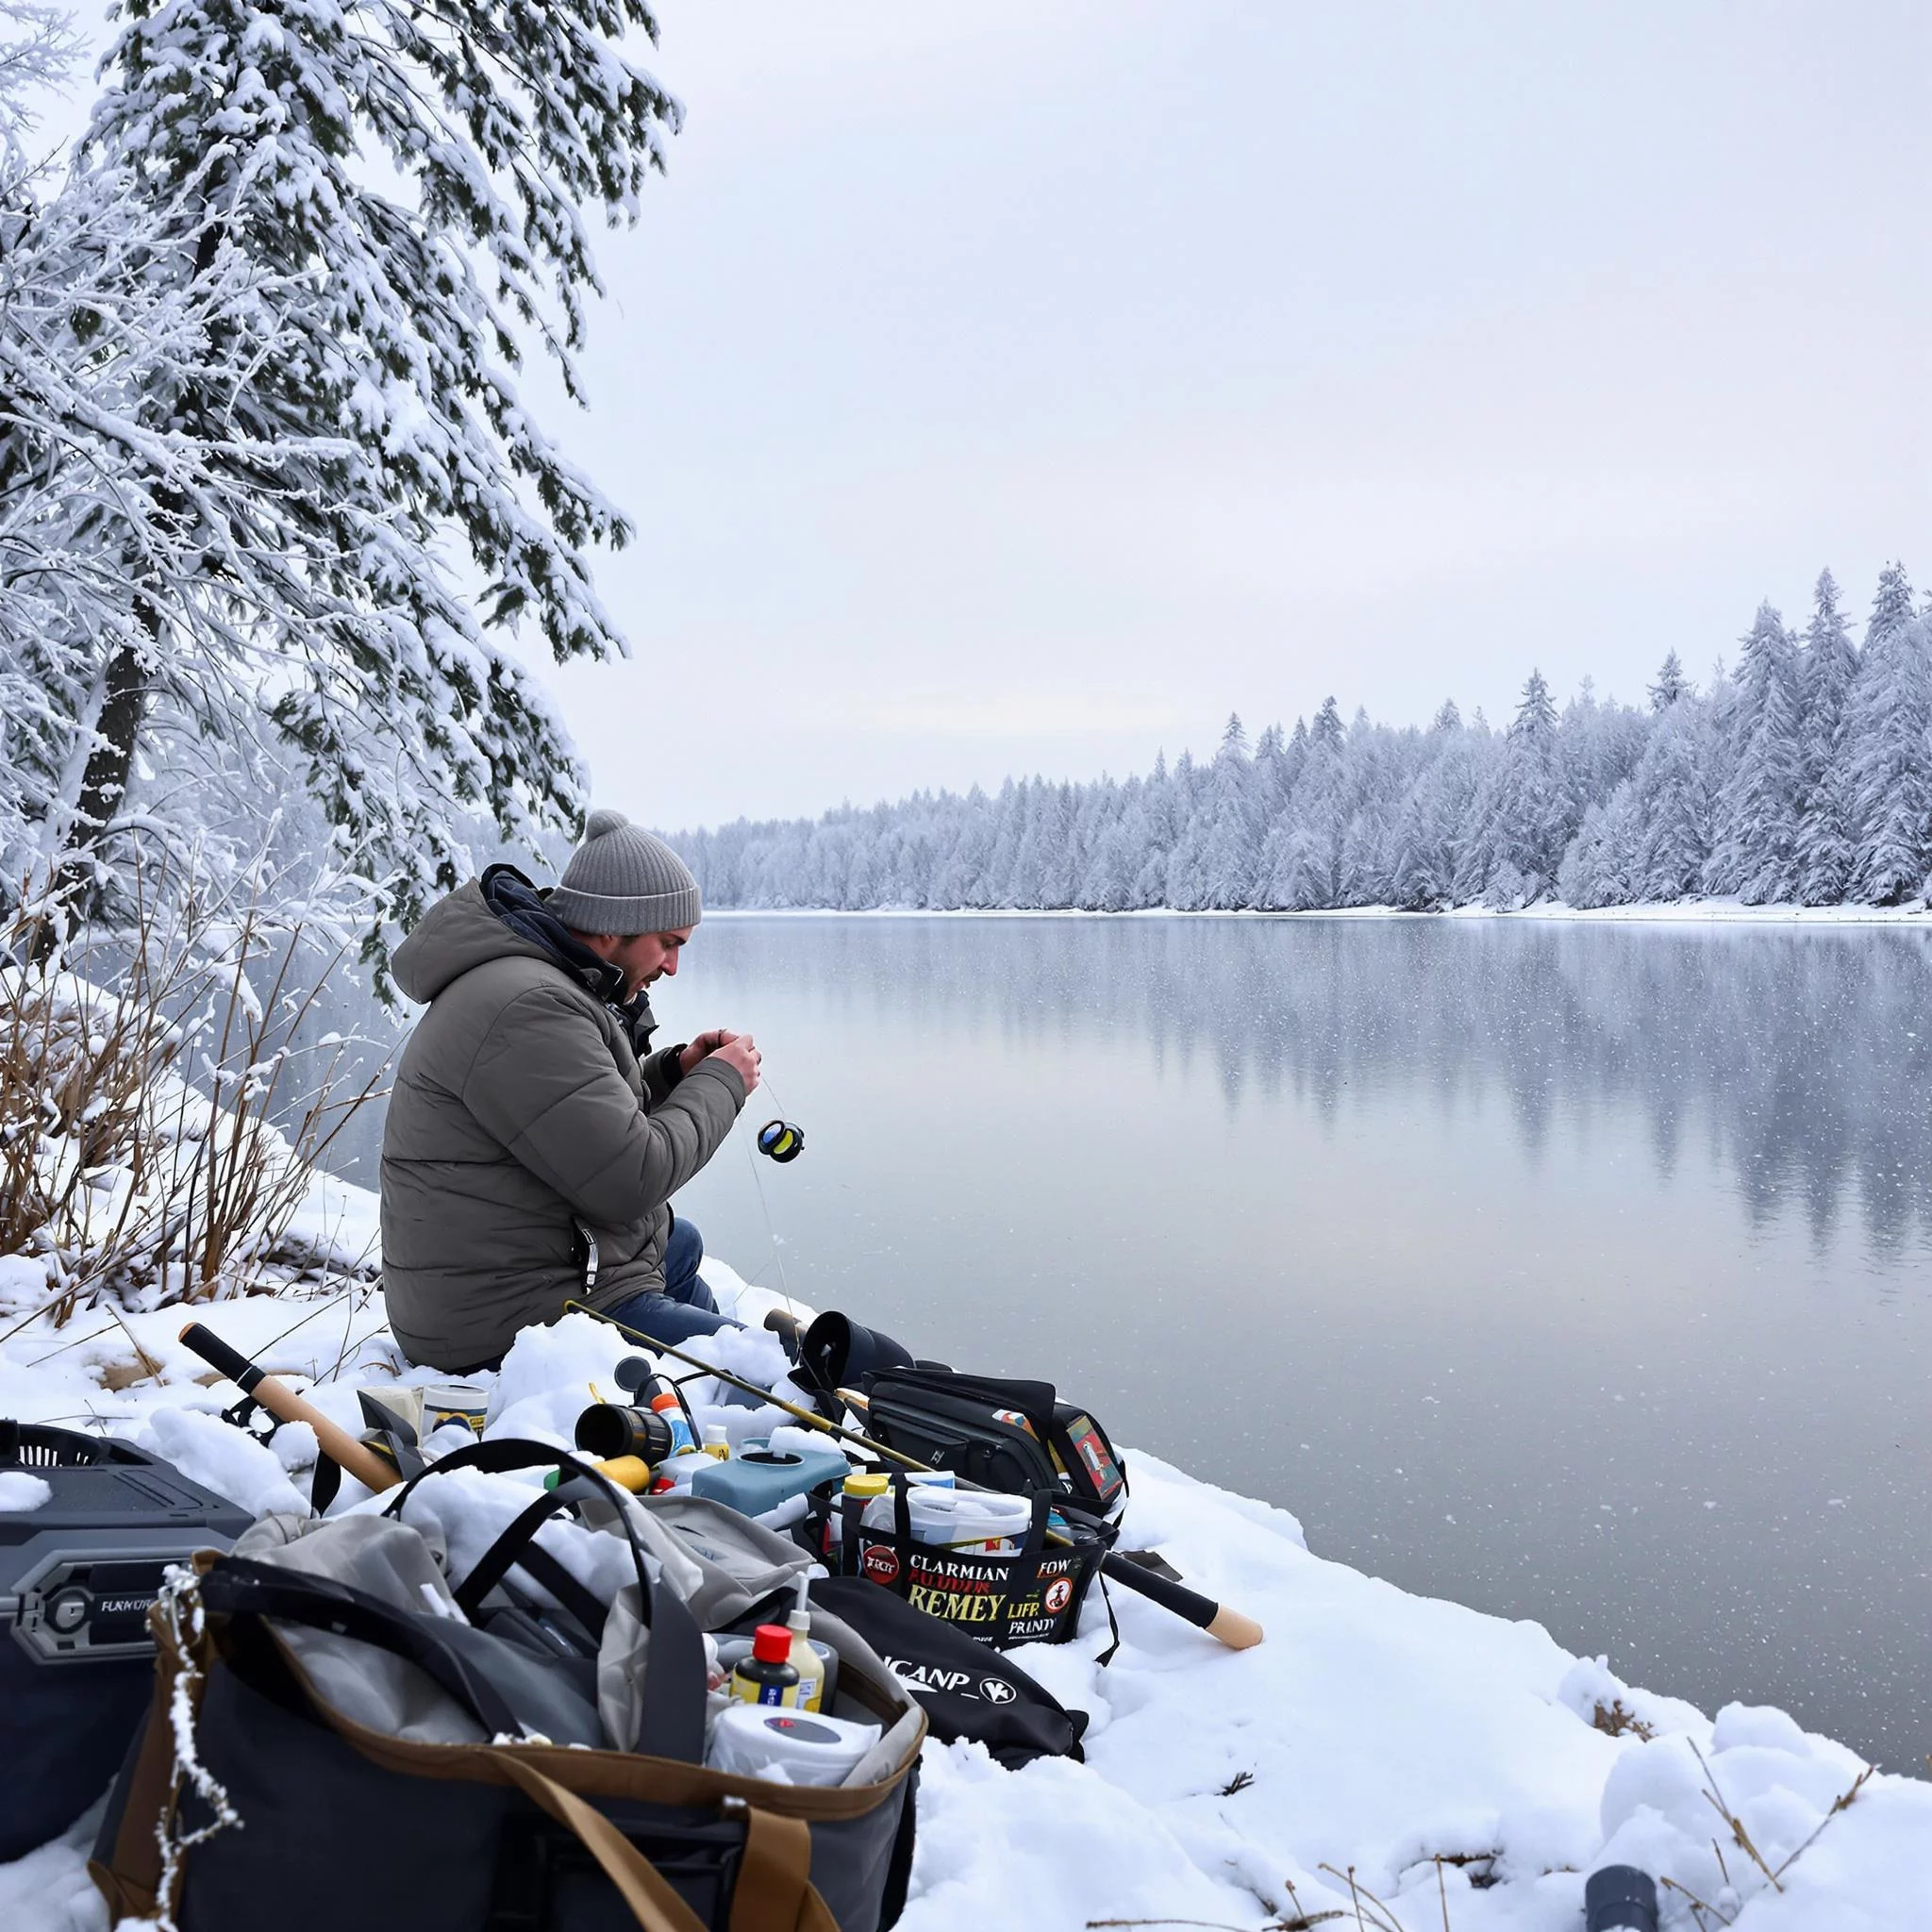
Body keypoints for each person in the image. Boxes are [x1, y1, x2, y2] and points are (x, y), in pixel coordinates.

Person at [379, 808, 760, 1372]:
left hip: (521, 1269)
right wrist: (723, 1081)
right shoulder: (526, 1005)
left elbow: (572, 1117)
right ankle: (737, 1386)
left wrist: (676, 1073)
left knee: (678, 1245)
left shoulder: (539, 982)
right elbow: (632, 1178)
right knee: (760, 1369)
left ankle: (710, 1357)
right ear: (611, 928)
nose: (674, 966)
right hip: (502, 1324)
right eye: (667, 943)